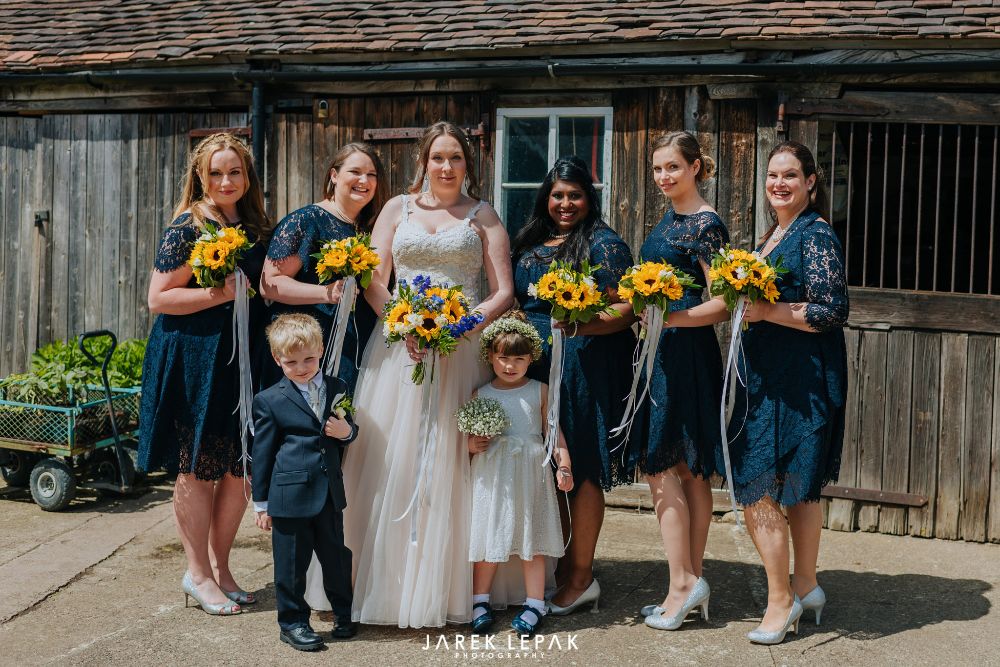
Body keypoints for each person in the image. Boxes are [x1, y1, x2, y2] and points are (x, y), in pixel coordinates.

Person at [342, 121, 514, 628]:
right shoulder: (397, 209)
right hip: (401, 349)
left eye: (455, 157)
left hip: (462, 349)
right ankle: (386, 586)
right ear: (423, 161)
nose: (446, 166)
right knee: (390, 458)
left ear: (467, 164)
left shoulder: (483, 215)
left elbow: (502, 291)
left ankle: (454, 587)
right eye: (438, 157)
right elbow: (374, 279)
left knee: (456, 460)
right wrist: (405, 324)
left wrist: (458, 327)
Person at [138, 132, 272, 614]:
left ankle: (222, 568)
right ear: (200, 176)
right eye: (216, 172)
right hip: (195, 358)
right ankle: (196, 573)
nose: (226, 180)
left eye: (235, 171)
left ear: (247, 176)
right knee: (197, 465)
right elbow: (158, 298)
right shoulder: (188, 226)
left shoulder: (255, 226)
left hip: (242, 358)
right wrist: (218, 294)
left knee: (238, 467)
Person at [511, 156, 637, 615]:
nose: (565, 204)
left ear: (589, 199)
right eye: (558, 195)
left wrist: (581, 325)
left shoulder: (604, 243)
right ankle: (560, 565)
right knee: (549, 467)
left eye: (575, 195)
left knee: (580, 467)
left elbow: (628, 307)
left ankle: (582, 576)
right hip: (535, 367)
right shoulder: (531, 239)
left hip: (584, 366)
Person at [734, 141, 848, 644]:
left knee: (757, 485)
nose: (779, 183)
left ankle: (781, 602)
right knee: (798, 489)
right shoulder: (773, 235)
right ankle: (806, 585)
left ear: (810, 182)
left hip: (800, 381)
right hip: (771, 378)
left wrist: (767, 312)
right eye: (773, 175)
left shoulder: (815, 234)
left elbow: (832, 309)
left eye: (790, 175)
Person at [632, 132, 730, 631]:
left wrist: (671, 318)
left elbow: (725, 301)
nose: (663, 176)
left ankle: (683, 584)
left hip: (687, 352)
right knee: (685, 469)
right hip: (662, 349)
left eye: (672, 167)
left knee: (666, 464)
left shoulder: (706, 225)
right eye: (657, 169)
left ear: (695, 167)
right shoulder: (669, 218)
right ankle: (688, 583)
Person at [251, 313, 359, 650]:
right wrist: (261, 504)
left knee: (336, 557)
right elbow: (262, 454)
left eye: (309, 359)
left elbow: (349, 428)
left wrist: (347, 432)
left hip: (329, 494)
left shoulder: (338, 388)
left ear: (321, 350)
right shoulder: (269, 400)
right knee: (290, 564)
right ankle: (293, 623)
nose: (302, 368)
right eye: (292, 362)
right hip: (289, 497)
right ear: (277, 359)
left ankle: (343, 612)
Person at [467, 313, 573, 637]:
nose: (510, 365)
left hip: (530, 476)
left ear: (531, 358)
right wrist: (472, 444)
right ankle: (479, 601)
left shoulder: (539, 390)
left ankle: (535, 603)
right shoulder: (481, 393)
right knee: (489, 535)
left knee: (532, 539)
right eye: (503, 358)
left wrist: (564, 466)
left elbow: (554, 434)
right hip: (493, 476)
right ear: (490, 356)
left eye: (518, 359)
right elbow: (468, 440)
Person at [261, 143, 387, 392]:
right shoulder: (307, 220)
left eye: (371, 174)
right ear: (334, 175)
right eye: (355, 172)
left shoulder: (371, 228)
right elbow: (270, 283)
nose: (364, 180)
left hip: (357, 346)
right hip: (307, 350)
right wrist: (326, 292)